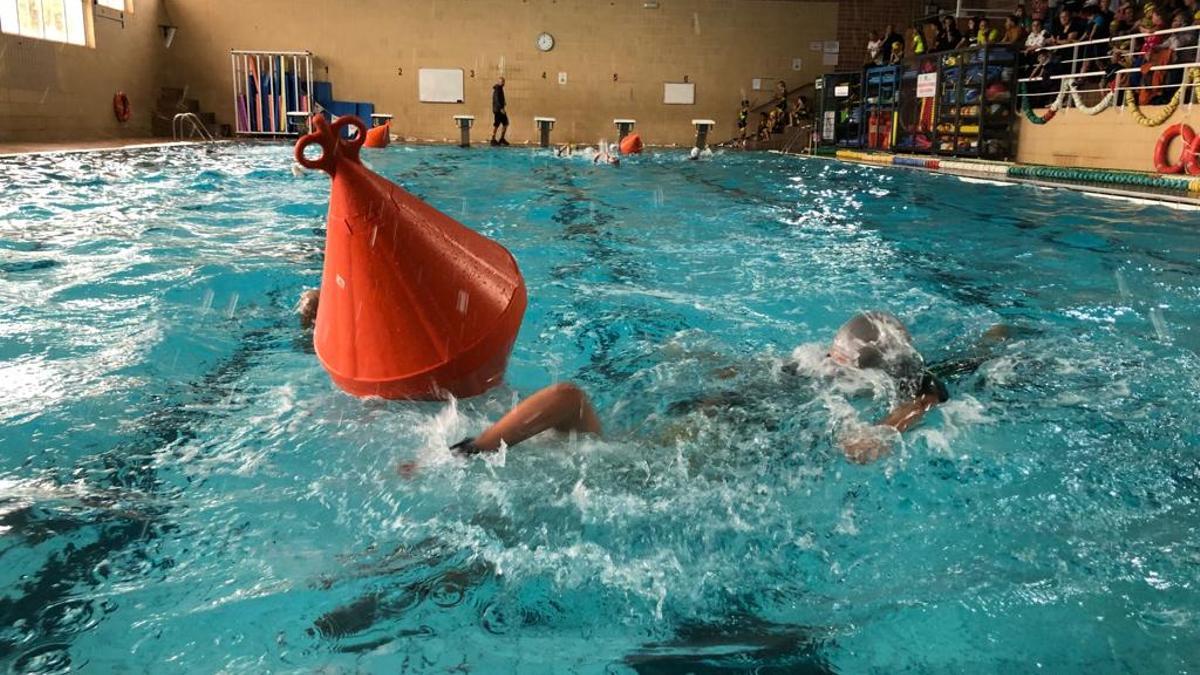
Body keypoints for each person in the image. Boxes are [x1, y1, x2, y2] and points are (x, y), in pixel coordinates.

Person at [450, 312, 957, 465]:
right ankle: (467, 455)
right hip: (677, 458)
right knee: (570, 402)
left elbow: (729, 373)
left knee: (570, 398)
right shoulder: (823, 397)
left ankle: (463, 453)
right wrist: (920, 406)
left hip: (676, 429)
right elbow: (861, 449)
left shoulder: (794, 368)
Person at [489, 76, 509, 146]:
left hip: (500, 109)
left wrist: (504, 102)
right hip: (498, 110)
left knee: (505, 123)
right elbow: (497, 99)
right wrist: (501, 108)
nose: (503, 83)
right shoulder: (498, 88)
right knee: (496, 125)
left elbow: (499, 98)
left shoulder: (500, 88)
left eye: (503, 82)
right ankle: (493, 139)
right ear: (499, 82)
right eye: (502, 82)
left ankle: (502, 138)